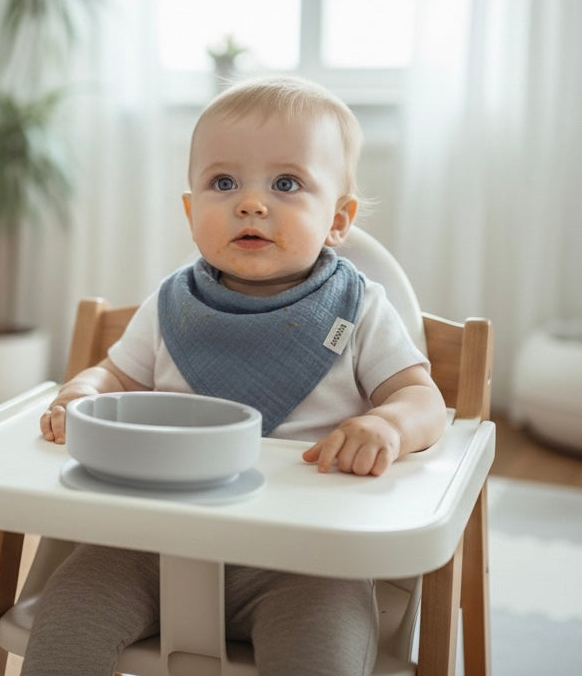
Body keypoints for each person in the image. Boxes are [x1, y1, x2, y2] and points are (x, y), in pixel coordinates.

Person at [23, 75, 449, 676]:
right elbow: (114, 376)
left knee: (322, 650)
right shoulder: (172, 306)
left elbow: (423, 401)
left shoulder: (360, 310)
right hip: (150, 542)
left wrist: (387, 425)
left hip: (305, 558)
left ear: (338, 219)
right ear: (192, 210)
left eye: (287, 183)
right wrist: (80, 393)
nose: (251, 202)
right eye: (223, 183)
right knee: (64, 622)